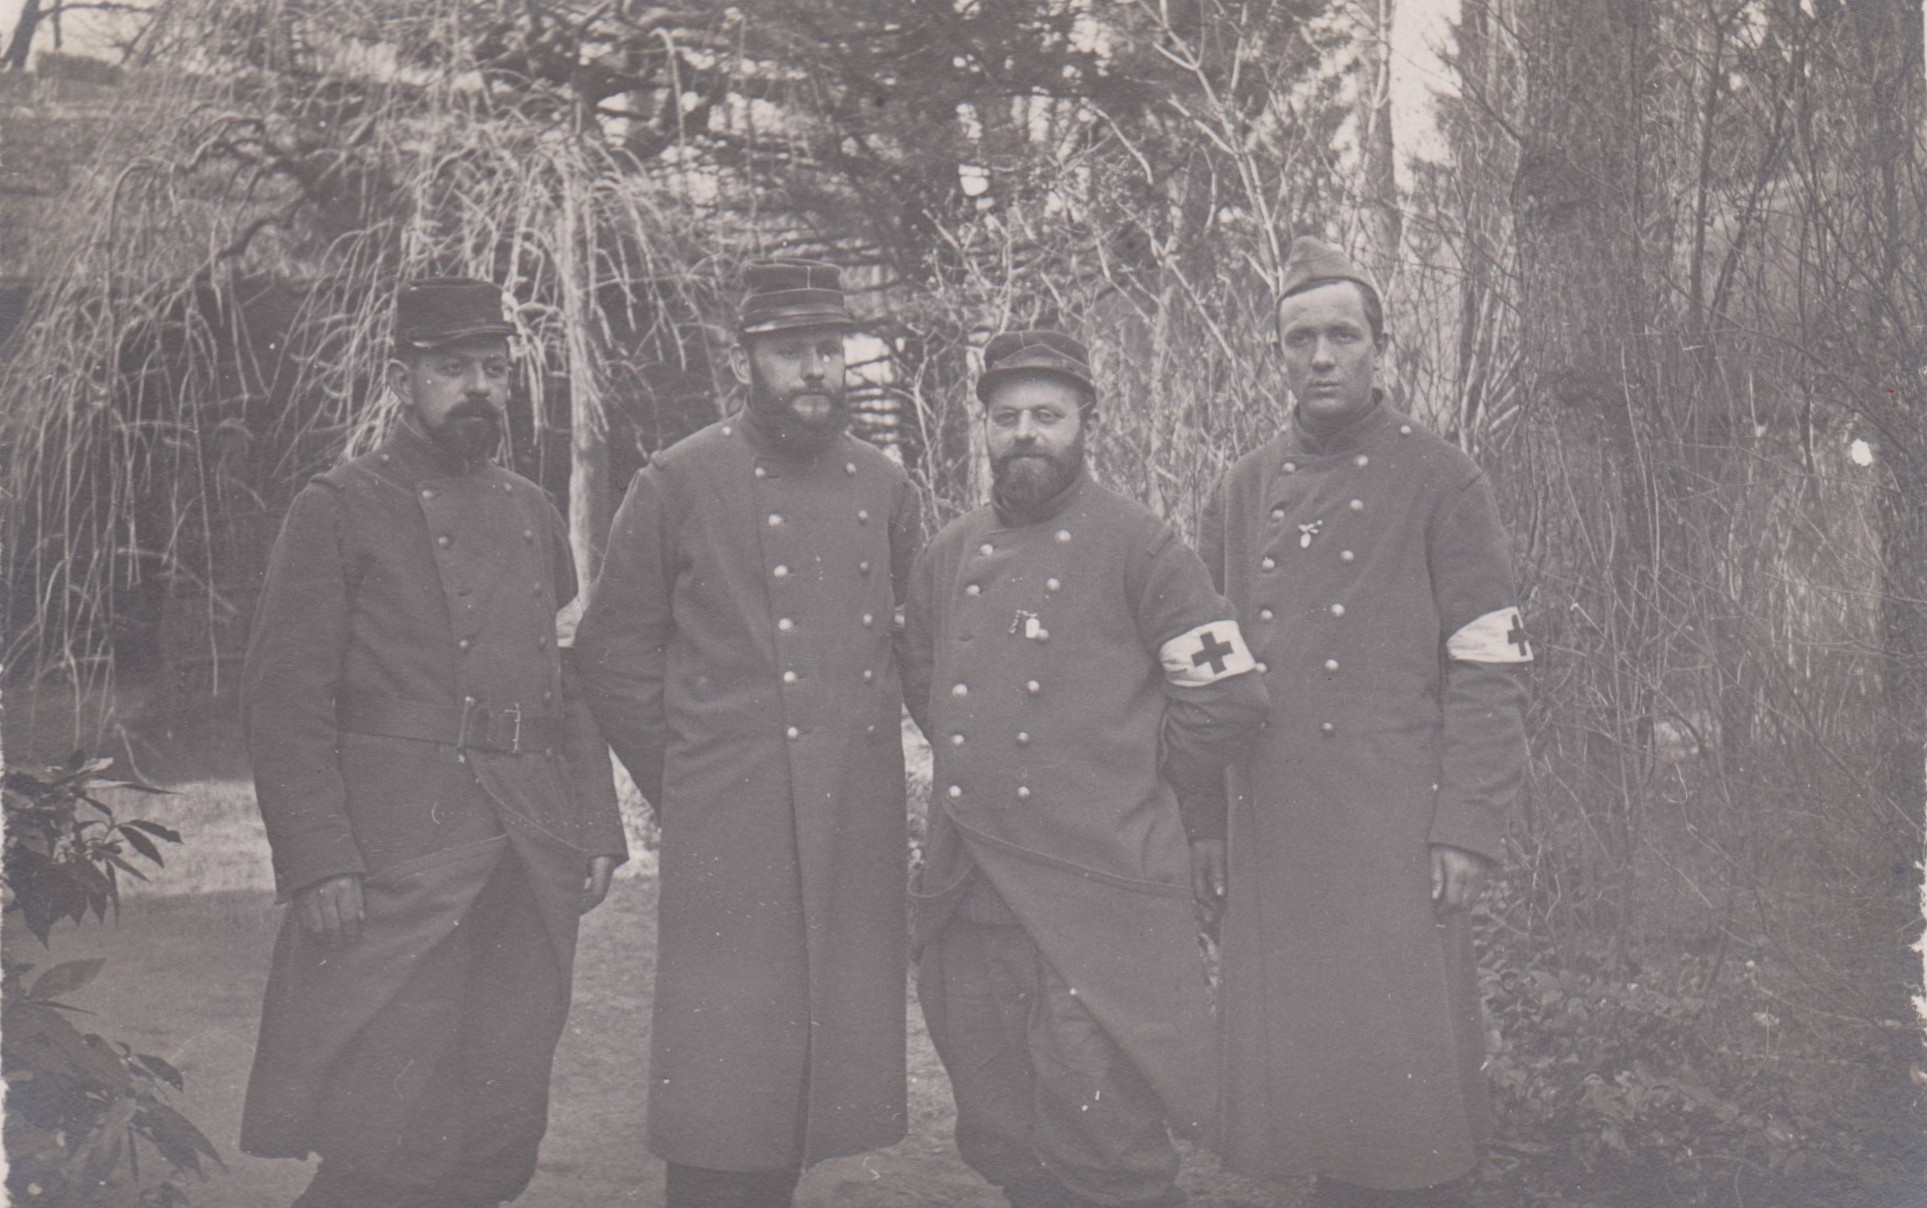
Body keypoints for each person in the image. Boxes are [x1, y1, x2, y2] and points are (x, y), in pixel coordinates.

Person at [238, 277, 628, 1208]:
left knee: (498, 1130)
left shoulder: (532, 512)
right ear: (400, 379)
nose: (478, 388)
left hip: (525, 853)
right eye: (453, 368)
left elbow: (566, 680)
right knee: (386, 1137)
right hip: (401, 861)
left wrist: (597, 823)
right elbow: (284, 701)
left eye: (494, 368)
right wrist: (319, 859)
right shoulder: (338, 507)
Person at [572, 259, 921, 1208]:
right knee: (723, 1090)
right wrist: (689, 775)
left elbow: (913, 648)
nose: (813, 371)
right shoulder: (678, 479)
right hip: (729, 827)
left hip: (849, 824)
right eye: (788, 351)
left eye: (827, 349)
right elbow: (610, 651)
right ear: (744, 362)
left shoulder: (885, 486)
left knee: (822, 1080)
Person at [1200, 238, 1534, 1207]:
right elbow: (1203, 681)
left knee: (1403, 1106)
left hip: (1393, 833)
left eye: (1342, 335)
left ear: (1379, 347)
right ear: (1276, 353)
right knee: (1305, 1102)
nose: (1320, 356)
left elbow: (1490, 665)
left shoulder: (1442, 480)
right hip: (1274, 834)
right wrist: (1203, 825)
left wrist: (1466, 823)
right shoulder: (1239, 490)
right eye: (1298, 338)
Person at [902, 330, 1269, 1208]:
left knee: (1104, 1141)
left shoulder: (1142, 546)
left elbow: (1229, 698)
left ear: (1086, 423)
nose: (1025, 434)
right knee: (1007, 1133)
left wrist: (1128, 777)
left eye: (1047, 415)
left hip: (1096, 893)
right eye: (1006, 418)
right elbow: (926, 687)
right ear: (984, 429)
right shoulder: (948, 554)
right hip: (973, 890)